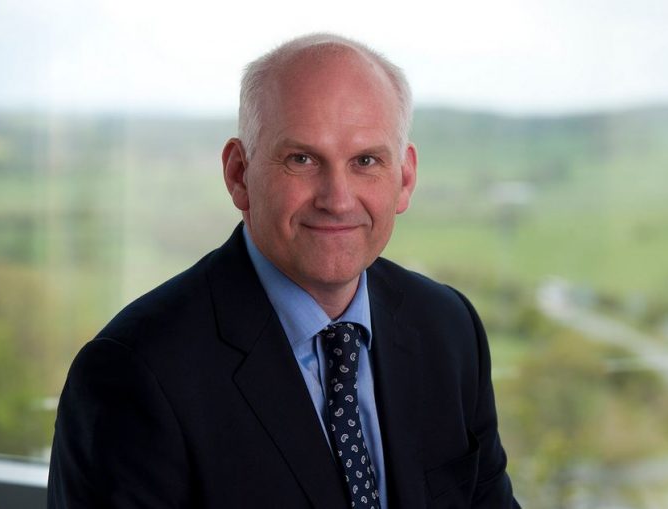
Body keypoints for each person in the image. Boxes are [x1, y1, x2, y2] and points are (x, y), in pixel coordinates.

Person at [47, 33, 520, 509]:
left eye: (365, 161)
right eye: (302, 159)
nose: (337, 200)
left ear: (405, 178)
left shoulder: (449, 328)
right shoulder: (134, 374)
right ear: (239, 174)